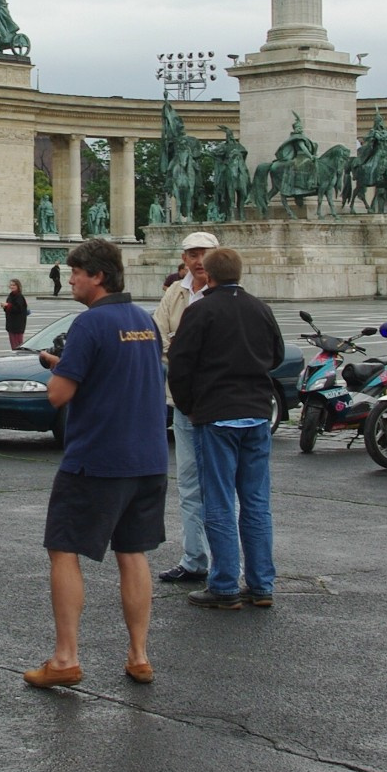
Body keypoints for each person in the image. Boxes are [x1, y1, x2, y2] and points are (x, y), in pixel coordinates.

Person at [25, 238, 168, 689]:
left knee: (64, 549)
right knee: (133, 553)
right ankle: (139, 654)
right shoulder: (145, 321)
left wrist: (58, 366)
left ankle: (66, 657)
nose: (71, 282)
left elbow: (59, 395)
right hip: (148, 458)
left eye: (76, 275)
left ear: (98, 277)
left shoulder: (91, 324)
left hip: (97, 459)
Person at [166, 248, 284, 611]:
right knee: (255, 501)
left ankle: (224, 583)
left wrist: (190, 405)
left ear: (208, 276)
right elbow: (276, 355)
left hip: (216, 415)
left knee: (217, 501)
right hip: (256, 413)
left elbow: (180, 365)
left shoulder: (200, 311)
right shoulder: (260, 308)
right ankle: (262, 583)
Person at [152, 231, 219, 587]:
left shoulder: (225, 293)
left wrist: (182, 346)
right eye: (191, 254)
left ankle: (224, 563)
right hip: (181, 401)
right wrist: (181, 349)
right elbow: (157, 334)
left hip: (216, 404)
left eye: (203, 254)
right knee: (189, 484)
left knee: (220, 485)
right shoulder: (174, 292)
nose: (197, 260)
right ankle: (194, 558)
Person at [0, 279, 29, 349]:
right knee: (13, 342)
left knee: (18, 342)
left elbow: (19, 309)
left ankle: (19, 356)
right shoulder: (11, 295)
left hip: (18, 324)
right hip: (11, 323)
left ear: (18, 286)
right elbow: (9, 309)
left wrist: (8, 305)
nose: (12, 286)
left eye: (14, 285)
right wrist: (5, 306)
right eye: (11, 285)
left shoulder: (19, 296)